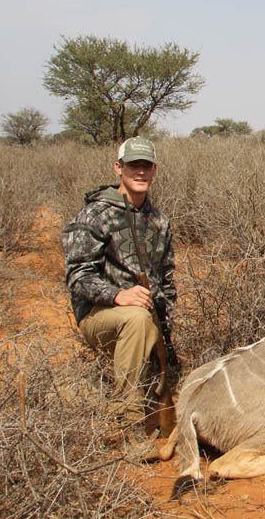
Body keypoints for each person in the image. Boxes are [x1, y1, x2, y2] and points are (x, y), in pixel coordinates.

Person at [62, 136, 177, 455]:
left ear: (154, 170)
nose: (140, 171)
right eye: (133, 165)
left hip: (146, 320)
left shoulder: (159, 221)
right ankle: (128, 429)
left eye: (146, 165)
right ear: (119, 167)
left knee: (152, 335)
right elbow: (78, 276)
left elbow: (166, 281)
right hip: (100, 316)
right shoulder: (95, 214)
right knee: (138, 320)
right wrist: (117, 295)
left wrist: (166, 337)